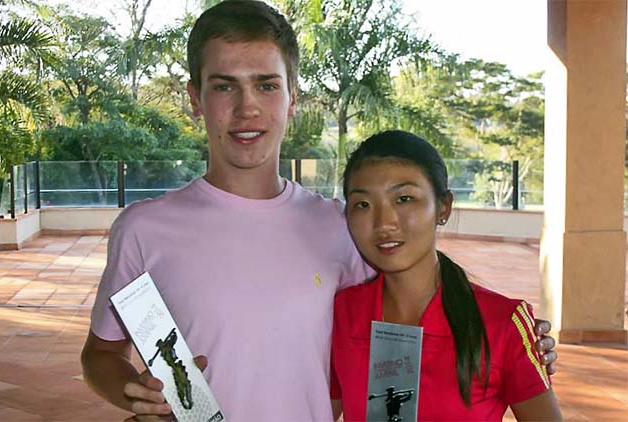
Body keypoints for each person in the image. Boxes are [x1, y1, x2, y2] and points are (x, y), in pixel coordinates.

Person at [80, 1, 557, 421]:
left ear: (293, 99)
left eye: (267, 85)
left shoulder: (340, 225)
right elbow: (101, 355)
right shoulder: (144, 229)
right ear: (195, 99)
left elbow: (415, 300)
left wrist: (512, 342)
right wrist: (141, 396)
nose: (247, 108)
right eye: (225, 87)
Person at [330, 130, 562, 421]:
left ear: (443, 207)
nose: (384, 223)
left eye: (404, 198)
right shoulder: (341, 314)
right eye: (363, 204)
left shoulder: (503, 324)